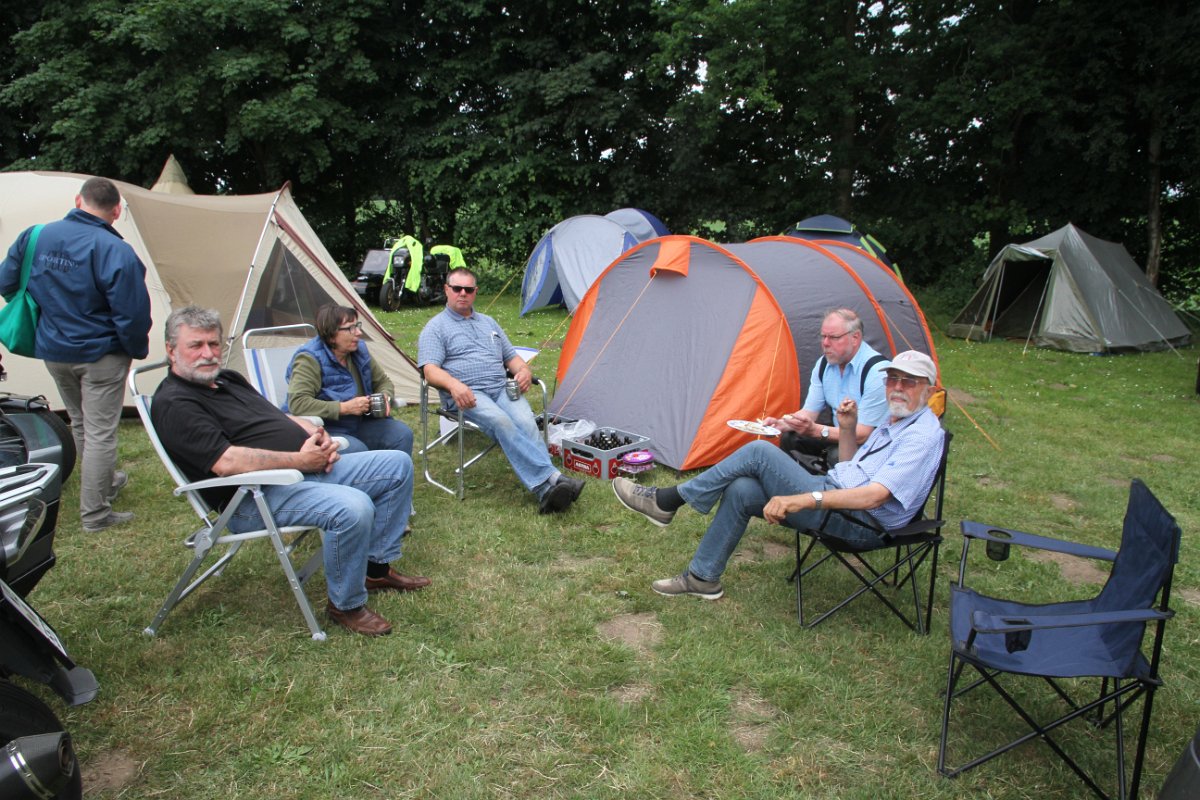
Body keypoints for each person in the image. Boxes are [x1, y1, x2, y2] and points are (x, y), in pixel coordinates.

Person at [151, 306, 428, 637]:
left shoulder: (227, 379)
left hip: (303, 465)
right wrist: (300, 461)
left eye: (214, 344)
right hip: (252, 495)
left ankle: (376, 568)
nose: (208, 354)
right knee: (353, 507)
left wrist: (313, 432)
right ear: (170, 349)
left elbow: (277, 416)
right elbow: (226, 461)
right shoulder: (175, 402)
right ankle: (347, 605)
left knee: (396, 464)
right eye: (196, 345)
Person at [613, 350, 943, 600]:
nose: (898, 388)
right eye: (893, 379)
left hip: (862, 524)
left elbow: (874, 496)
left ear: (928, 390)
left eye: (909, 382)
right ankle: (702, 577)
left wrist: (805, 499)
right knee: (742, 489)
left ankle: (667, 500)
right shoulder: (897, 419)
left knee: (760, 452)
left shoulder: (922, 435)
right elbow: (850, 470)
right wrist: (845, 430)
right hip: (841, 501)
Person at [0, 177, 152, 532]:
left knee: (81, 422)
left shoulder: (35, 236)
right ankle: (95, 513)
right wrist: (135, 349)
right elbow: (131, 313)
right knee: (100, 430)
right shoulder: (115, 250)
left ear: (77, 201)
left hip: (54, 350)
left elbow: (6, 282)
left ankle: (104, 483)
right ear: (116, 211)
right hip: (101, 354)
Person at [417, 267, 585, 513]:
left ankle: (550, 488)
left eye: (469, 289)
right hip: (467, 394)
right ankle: (550, 482)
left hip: (500, 388)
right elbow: (429, 371)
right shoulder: (435, 328)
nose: (462, 293)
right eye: (457, 288)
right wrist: (454, 384)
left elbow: (512, 358)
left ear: (475, 292)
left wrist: (524, 371)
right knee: (501, 422)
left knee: (527, 422)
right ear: (446, 290)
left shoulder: (489, 323)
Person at [285, 303, 414, 456]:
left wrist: (384, 396)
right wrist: (344, 408)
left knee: (401, 434)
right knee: (357, 449)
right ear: (332, 334)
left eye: (357, 326)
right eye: (351, 328)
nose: (359, 333)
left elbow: (382, 382)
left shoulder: (359, 350)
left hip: (359, 423)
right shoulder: (309, 358)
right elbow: (298, 403)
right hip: (325, 429)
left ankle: (393, 479)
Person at [765, 308, 888, 468]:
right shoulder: (825, 364)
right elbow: (809, 412)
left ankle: (829, 490)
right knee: (790, 437)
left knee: (836, 455)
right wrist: (782, 424)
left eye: (833, 337)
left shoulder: (877, 372)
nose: (825, 343)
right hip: (838, 434)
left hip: (871, 446)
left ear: (855, 338)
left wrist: (816, 430)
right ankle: (792, 484)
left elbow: (863, 434)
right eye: (823, 336)